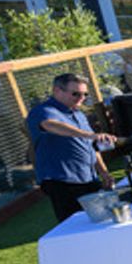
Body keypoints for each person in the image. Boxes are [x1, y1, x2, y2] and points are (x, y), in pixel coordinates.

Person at [27, 73, 116, 221]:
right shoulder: (42, 111)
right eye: (76, 94)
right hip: (62, 182)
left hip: (89, 179)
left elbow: (91, 147)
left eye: (85, 94)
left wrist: (104, 173)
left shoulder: (79, 114)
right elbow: (51, 125)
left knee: (104, 220)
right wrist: (89, 135)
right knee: (76, 225)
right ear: (57, 91)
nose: (81, 98)